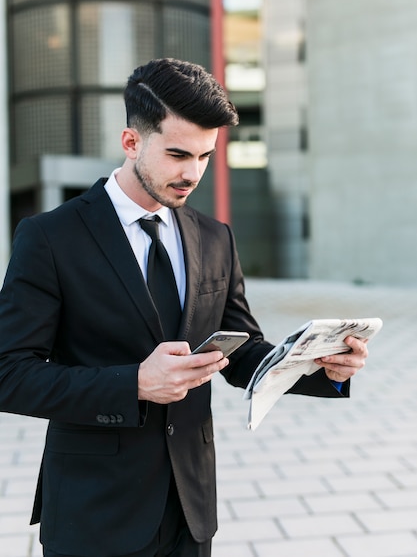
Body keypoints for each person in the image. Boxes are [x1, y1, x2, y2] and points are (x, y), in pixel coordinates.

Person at [0, 58, 368, 557]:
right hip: (94, 510)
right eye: (177, 154)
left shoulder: (215, 237)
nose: (192, 173)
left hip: (191, 510)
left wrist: (321, 366)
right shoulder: (49, 238)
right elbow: (10, 372)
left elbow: (239, 352)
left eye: (205, 156)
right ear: (131, 142)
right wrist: (133, 383)